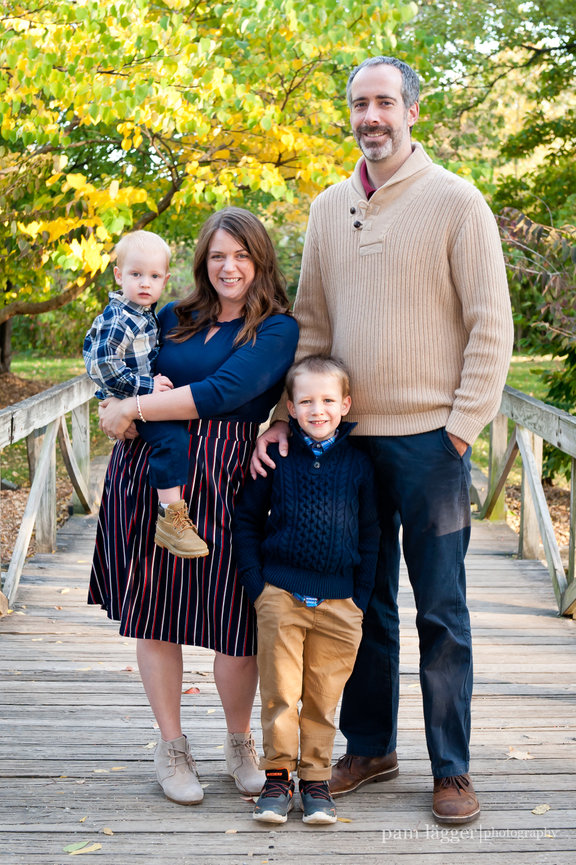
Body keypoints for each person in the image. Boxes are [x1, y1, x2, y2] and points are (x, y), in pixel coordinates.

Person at [251, 56, 514, 824]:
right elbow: (315, 323)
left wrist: (461, 431)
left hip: (433, 440)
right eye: (359, 103)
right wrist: (285, 417)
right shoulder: (331, 206)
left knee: (441, 607)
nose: (371, 116)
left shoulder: (457, 202)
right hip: (348, 442)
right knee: (356, 601)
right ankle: (369, 745)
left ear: (412, 112)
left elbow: (491, 327)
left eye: (385, 103)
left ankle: (452, 768)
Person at [89, 207, 299, 806]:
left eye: (240, 254)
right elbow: (125, 369)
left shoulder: (276, 328)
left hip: (230, 477)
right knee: (158, 610)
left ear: (260, 260)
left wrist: (134, 410)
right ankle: (173, 746)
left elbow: (225, 392)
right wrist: (118, 405)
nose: (228, 266)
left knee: (234, 621)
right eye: (217, 255)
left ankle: (239, 743)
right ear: (203, 262)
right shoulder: (171, 315)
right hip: (155, 475)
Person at [233, 355, 379, 825]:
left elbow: (373, 533)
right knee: (279, 693)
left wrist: (359, 595)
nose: (318, 410)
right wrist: (259, 586)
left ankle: (315, 782)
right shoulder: (275, 457)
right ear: (290, 408)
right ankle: (277, 779)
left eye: (328, 400)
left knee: (321, 696)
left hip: (340, 603)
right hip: (281, 594)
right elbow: (247, 521)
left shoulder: (359, 464)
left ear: (346, 404)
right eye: (307, 401)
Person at [83, 229, 208, 559]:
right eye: (136, 274)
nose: (144, 283)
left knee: (172, 438)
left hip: (134, 400)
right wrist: (145, 388)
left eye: (154, 276)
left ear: (165, 279)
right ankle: (172, 518)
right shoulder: (119, 318)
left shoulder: (147, 314)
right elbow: (101, 364)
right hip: (132, 398)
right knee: (171, 440)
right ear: (118, 275)